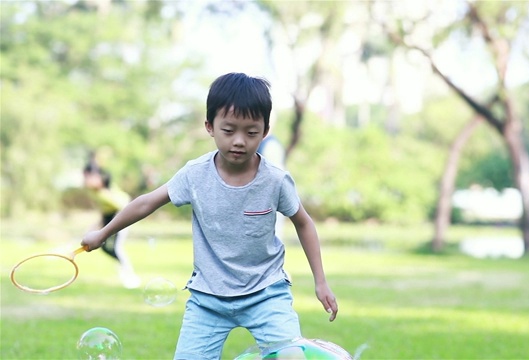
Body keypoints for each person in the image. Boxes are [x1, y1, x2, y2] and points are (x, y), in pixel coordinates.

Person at [81, 72, 338, 359]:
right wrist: (103, 234)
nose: (239, 141)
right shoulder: (195, 175)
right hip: (208, 299)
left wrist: (321, 281)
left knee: (293, 356)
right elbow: (146, 203)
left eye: (251, 132)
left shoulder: (276, 180)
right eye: (229, 130)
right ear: (210, 126)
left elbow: (303, 222)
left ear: (265, 131)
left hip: (267, 293)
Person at [83, 157, 141, 289]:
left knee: (117, 248)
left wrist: (112, 224)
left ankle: (129, 273)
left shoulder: (105, 193)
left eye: (89, 177)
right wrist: (97, 225)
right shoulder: (96, 193)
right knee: (105, 247)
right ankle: (123, 267)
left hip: (121, 216)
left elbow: (123, 205)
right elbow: (104, 211)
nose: (86, 181)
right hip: (110, 217)